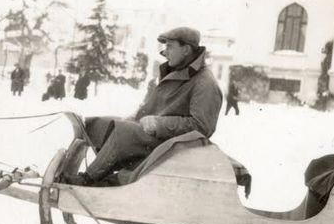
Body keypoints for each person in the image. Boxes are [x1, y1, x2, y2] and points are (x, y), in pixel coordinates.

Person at [62, 27, 223, 185]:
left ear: (186, 49)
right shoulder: (181, 71)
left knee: (122, 133)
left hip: (172, 146)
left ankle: (89, 179)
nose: (165, 52)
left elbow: (201, 126)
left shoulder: (205, 83)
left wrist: (159, 124)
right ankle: (95, 174)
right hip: (159, 137)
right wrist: (136, 115)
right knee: (98, 124)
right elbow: (161, 104)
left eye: (169, 46)